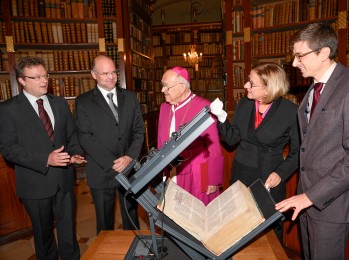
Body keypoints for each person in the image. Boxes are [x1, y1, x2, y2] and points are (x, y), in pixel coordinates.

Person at [275, 23, 349, 260]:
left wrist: (311, 196)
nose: (294, 63)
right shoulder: (313, 90)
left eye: (300, 55)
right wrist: (305, 197)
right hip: (307, 201)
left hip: (333, 204)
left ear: (323, 52)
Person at [0, 56, 86, 259]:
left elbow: (71, 135)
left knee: (68, 231)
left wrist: (75, 153)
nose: (43, 80)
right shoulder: (7, 110)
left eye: (45, 75)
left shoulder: (60, 103)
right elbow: (9, 150)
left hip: (64, 180)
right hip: (34, 184)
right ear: (22, 80)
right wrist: (46, 159)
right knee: (44, 235)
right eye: (36, 77)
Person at [210, 62, 299, 242]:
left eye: (251, 83)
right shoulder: (245, 104)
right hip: (241, 172)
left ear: (268, 88)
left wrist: (280, 174)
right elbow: (232, 138)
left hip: (268, 177)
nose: (245, 86)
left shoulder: (291, 112)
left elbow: (297, 152)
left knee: (270, 227)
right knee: (238, 224)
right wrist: (221, 117)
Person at [75, 54, 145, 234]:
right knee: (104, 225)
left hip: (129, 169)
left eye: (113, 72)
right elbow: (85, 137)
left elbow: (138, 130)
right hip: (101, 171)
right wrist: (114, 163)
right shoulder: (83, 102)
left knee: (131, 219)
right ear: (94, 74)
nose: (111, 77)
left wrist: (129, 157)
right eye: (105, 73)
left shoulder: (130, 97)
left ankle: (135, 249)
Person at [157, 66, 224, 206]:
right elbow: (160, 141)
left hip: (198, 169)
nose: (162, 90)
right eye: (162, 86)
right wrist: (160, 170)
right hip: (171, 169)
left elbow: (214, 147)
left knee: (198, 211)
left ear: (181, 87)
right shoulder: (164, 108)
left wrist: (213, 179)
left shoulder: (204, 107)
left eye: (166, 86)